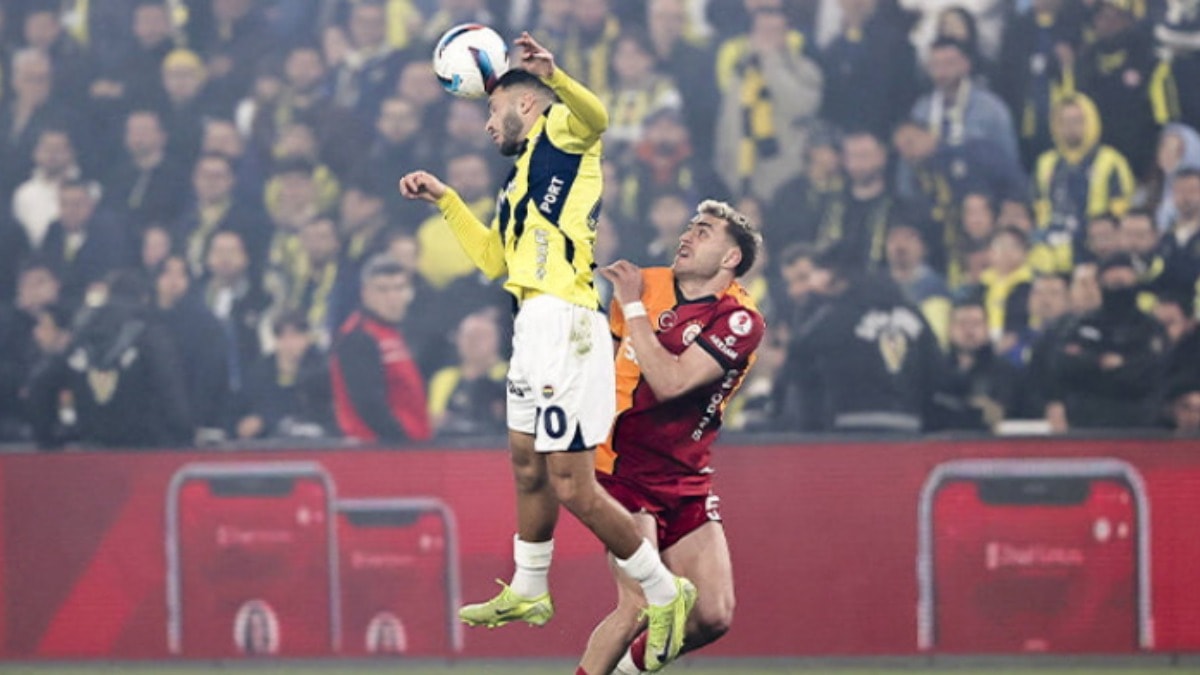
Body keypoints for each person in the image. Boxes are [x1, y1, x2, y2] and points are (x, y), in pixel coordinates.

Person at [399, 32, 695, 671]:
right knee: (526, 463)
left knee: (572, 484)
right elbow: (493, 261)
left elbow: (598, 117)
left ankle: (665, 590)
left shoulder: (562, 133)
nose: (486, 124)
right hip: (530, 324)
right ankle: (530, 587)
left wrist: (556, 76)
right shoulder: (516, 183)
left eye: (491, 110)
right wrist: (447, 201)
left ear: (525, 104)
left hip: (566, 323)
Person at [578, 199, 765, 675]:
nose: (686, 236)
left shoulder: (740, 320)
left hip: (684, 477)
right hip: (621, 468)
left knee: (713, 616)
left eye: (703, 232)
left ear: (731, 258)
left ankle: (623, 672)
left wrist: (632, 304)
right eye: (689, 227)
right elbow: (611, 363)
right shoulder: (645, 284)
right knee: (639, 604)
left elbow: (671, 382)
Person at [1048, 253, 1168, 430]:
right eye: (1112, 277)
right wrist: (1099, 361)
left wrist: (1118, 366)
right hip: (1086, 420)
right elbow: (1064, 364)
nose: (1118, 281)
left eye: (1124, 278)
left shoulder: (1150, 327)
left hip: (1139, 421)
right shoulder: (1081, 325)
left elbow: (1154, 370)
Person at [329, 254, 430, 443]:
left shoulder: (394, 333)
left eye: (399, 288)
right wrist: (403, 441)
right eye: (383, 290)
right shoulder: (359, 336)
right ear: (365, 293)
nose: (392, 298)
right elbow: (369, 405)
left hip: (407, 445)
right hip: (378, 450)